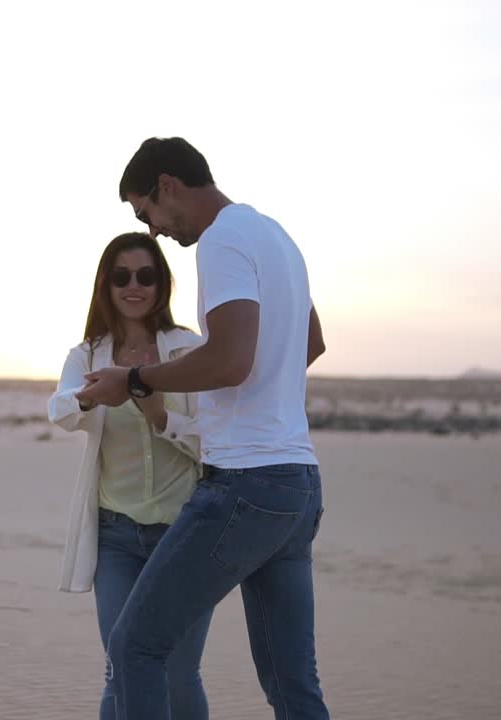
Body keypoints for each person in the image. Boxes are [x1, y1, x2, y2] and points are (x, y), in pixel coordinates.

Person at [76, 137, 329, 720]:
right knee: (293, 685)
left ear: (168, 186)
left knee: (136, 646)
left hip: (244, 485)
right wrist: (253, 400)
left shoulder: (221, 241)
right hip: (297, 484)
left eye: (147, 213)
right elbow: (309, 344)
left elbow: (229, 360)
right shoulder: (277, 236)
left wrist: (134, 379)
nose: (156, 230)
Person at [48, 231, 213, 720]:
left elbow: (215, 437)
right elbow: (60, 409)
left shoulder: (187, 351)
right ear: (106, 285)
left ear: (162, 283)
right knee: (122, 667)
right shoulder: (88, 356)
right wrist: (91, 395)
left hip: (184, 533)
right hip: (116, 536)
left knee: (180, 674)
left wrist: (162, 418)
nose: (134, 286)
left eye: (146, 275)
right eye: (121, 276)